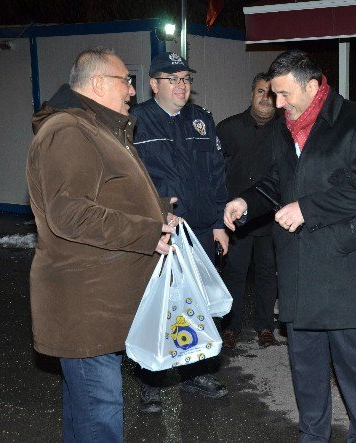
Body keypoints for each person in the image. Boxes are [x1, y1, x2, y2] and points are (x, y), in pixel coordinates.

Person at [224, 49, 356, 442]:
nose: (277, 104)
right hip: (297, 266)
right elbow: (274, 182)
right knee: (306, 367)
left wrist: (307, 208)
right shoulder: (284, 127)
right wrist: (247, 200)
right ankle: (312, 435)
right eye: (272, 95)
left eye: (283, 94)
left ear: (312, 85)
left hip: (342, 267)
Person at [26, 47, 177, 442]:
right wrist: (149, 233)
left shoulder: (101, 129)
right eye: (124, 80)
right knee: (100, 414)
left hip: (100, 302)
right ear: (96, 84)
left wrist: (158, 214)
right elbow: (70, 213)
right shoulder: (69, 131)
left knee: (87, 412)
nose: (131, 90)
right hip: (84, 303)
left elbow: (107, 197)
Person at [130, 52, 229, 413]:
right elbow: (129, 183)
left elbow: (217, 173)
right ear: (154, 84)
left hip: (200, 229)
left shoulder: (201, 120)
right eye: (173, 79)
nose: (182, 86)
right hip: (160, 231)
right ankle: (150, 380)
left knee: (199, 305)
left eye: (186, 78)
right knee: (156, 306)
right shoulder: (136, 122)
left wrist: (219, 222)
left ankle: (196, 372)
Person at [217, 72, 279, 348]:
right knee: (235, 273)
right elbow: (215, 171)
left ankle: (265, 327)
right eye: (260, 92)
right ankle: (230, 327)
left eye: (270, 93)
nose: (265, 98)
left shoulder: (285, 132)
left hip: (272, 217)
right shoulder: (229, 128)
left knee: (268, 274)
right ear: (251, 94)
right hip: (237, 220)